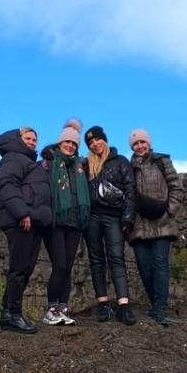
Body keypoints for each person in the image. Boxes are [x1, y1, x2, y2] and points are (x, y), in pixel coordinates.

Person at [0, 126, 52, 333]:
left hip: (31, 220)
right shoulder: (14, 158)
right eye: (28, 138)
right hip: (21, 221)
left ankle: (8, 313)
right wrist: (22, 213)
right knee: (20, 268)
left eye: (35, 139)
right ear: (18, 139)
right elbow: (8, 186)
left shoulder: (26, 161)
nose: (32, 142)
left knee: (24, 268)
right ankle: (14, 314)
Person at [128, 128, 183, 326]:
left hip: (162, 224)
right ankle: (154, 305)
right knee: (144, 268)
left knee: (160, 265)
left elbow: (176, 188)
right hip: (140, 227)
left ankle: (161, 309)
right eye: (135, 144)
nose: (140, 146)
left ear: (149, 143)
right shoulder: (128, 167)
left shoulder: (162, 162)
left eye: (142, 142)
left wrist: (169, 212)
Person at [84, 125, 136, 324]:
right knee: (96, 259)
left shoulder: (120, 162)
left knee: (116, 258)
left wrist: (127, 218)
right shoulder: (86, 165)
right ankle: (103, 304)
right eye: (90, 142)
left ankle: (124, 305)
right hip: (92, 218)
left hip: (114, 217)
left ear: (104, 140)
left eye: (97, 139)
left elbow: (131, 190)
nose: (94, 144)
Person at [40, 118, 91, 325]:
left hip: (75, 222)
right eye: (67, 142)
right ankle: (51, 309)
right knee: (59, 265)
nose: (70, 146)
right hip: (55, 222)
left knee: (68, 267)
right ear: (59, 143)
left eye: (74, 144)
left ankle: (62, 308)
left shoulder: (79, 166)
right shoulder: (49, 163)